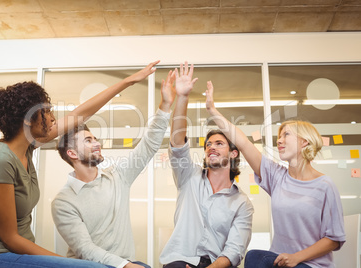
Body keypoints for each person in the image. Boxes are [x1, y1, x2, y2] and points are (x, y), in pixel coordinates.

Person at [0, 60, 159, 268]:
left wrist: (127, 82)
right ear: (28, 119)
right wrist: (64, 263)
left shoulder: (27, 147)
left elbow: (78, 115)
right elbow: (10, 238)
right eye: (47, 112)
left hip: (20, 257)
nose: (53, 119)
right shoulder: (1, 160)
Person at [203, 81, 346, 268]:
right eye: (279, 137)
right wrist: (212, 110)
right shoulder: (278, 177)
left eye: (286, 135)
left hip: (311, 265)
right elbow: (244, 142)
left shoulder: (324, 185)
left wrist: (297, 257)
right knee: (253, 257)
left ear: (304, 141)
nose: (279, 141)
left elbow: (334, 239)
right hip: (280, 262)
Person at [51, 70, 176, 268]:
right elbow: (85, 249)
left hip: (125, 264)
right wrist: (126, 266)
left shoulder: (118, 177)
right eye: (88, 140)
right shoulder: (63, 201)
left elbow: (149, 145)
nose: (97, 143)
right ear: (72, 154)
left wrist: (166, 105)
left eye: (95, 139)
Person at [159, 62, 254, 268]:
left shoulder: (242, 203)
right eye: (208, 144)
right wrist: (182, 97)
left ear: (233, 153)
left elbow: (234, 250)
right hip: (179, 262)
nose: (211, 147)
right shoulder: (188, 177)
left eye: (219, 144)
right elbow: (177, 143)